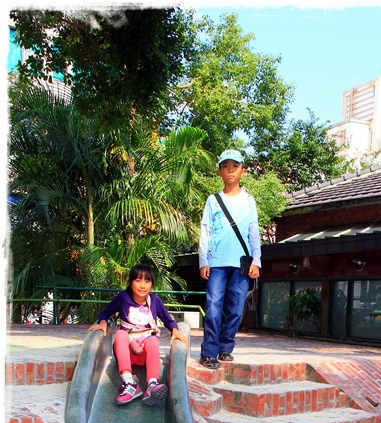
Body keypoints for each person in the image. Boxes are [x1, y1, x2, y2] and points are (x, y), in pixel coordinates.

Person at [88, 263, 187, 406]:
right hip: (126, 352)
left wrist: (175, 330)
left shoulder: (155, 301)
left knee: (153, 340)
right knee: (121, 334)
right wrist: (103, 322)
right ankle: (129, 384)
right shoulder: (123, 298)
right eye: (138, 280)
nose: (142, 285)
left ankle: (152, 385)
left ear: (152, 284)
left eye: (147, 281)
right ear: (130, 282)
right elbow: (105, 312)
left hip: (144, 355)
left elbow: (168, 320)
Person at [198, 148, 261, 369]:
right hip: (216, 263)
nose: (230, 170)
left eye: (235, 166)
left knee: (235, 309)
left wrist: (257, 261)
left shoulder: (249, 201)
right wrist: (203, 261)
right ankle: (208, 352)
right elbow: (205, 232)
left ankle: (225, 348)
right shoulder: (213, 200)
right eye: (225, 166)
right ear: (219, 172)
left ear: (243, 171)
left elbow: (254, 232)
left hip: (241, 263)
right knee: (213, 307)